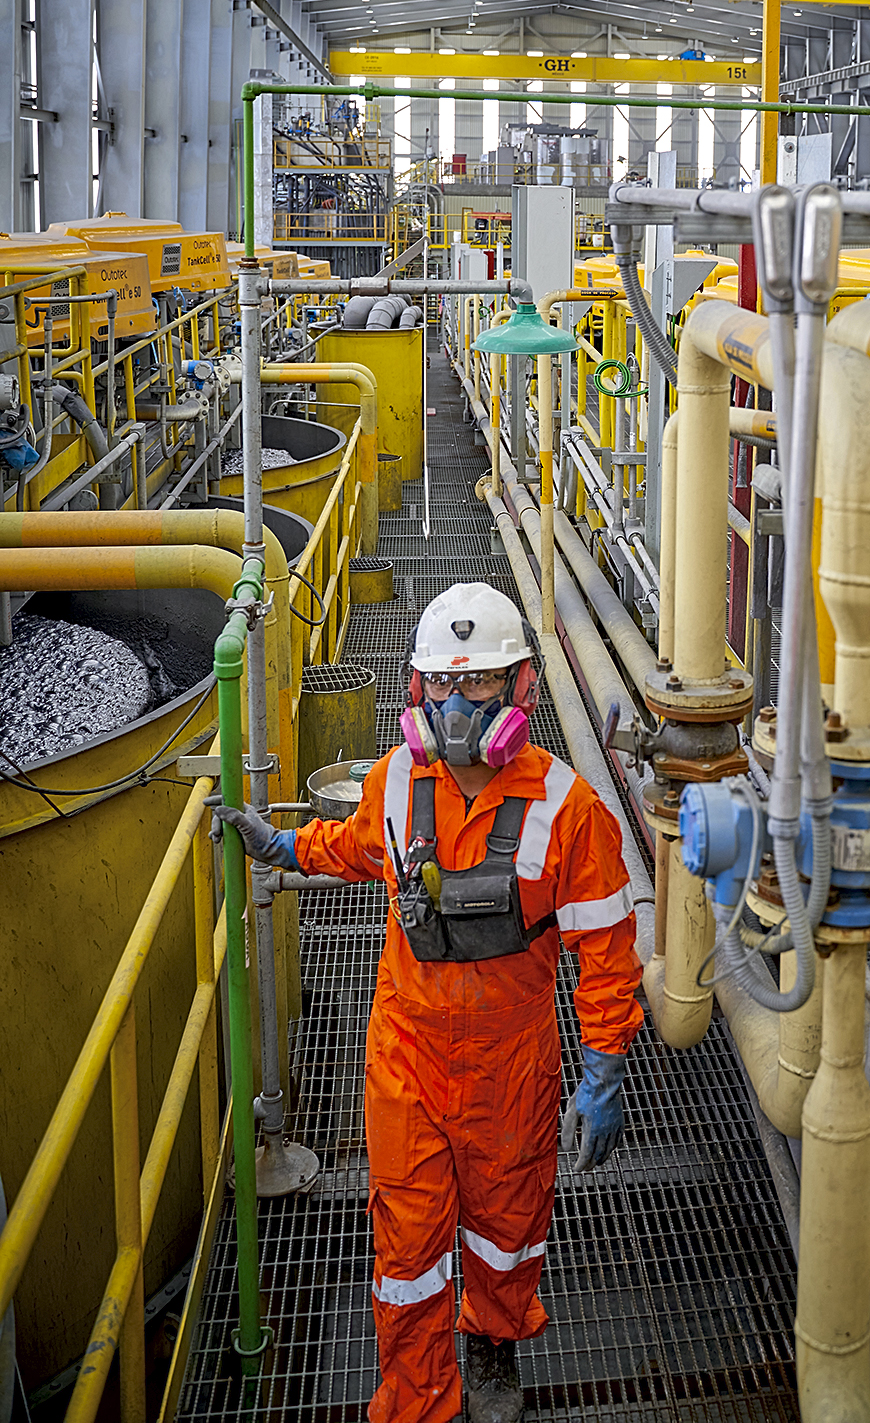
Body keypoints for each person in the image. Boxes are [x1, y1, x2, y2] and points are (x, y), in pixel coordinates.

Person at [216, 582, 644, 1423]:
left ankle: (491, 1344)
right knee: (406, 1250)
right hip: (405, 1058)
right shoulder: (394, 782)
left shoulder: (569, 810)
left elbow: (606, 951)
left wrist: (604, 1067)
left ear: (520, 689)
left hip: (511, 1064)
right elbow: (354, 846)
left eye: (478, 684)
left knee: (507, 1224)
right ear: (416, 690)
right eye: (441, 686)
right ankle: (418, 1400)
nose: (457, 706)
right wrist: (289, 844)